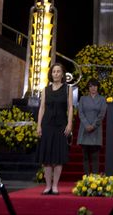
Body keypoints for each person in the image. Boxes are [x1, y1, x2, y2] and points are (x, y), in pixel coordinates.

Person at [36, 62, 73, 195]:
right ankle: (47, 186)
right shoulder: (45, 90)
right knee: (46, 157)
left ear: (62, 74)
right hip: (47, 125)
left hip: (61, 125)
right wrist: (38, 125)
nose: (56, 74)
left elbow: (70, 107)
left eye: (58, 71)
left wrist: (69, 124)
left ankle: (55, 186)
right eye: (54, 72)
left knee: (58, 156)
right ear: (51, 74)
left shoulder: (68, 89)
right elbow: (42, 108)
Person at [77, 79, 107, 174]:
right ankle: (86, 178)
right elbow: (80, 113)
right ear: (88, 88)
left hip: (96, 130)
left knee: (95, 157)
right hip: (84, 130)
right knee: (85, 156)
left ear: (97, 87)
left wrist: (93, 126)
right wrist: (86, 125)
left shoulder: (102, 99)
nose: (93, 88)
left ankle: (94, 179)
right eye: (90, 86)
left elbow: (102, 114)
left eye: (94, 86)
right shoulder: (83, 99)